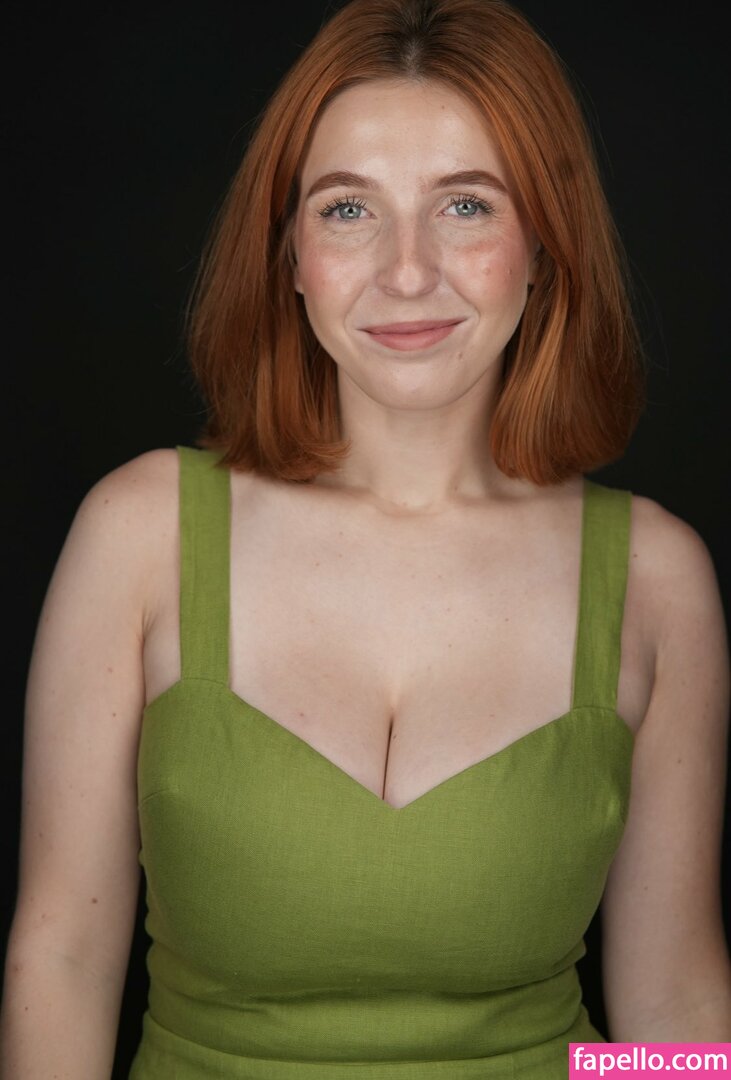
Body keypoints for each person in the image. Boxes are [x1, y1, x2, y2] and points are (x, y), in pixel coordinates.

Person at [2, 0, 730, 1075]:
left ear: (543, 245)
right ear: (289, 256)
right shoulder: (140, 535)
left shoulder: (657, 579)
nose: (406, 271)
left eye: (465, 206)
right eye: (347, 210)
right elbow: (62, 956)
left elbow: (673, 1000)